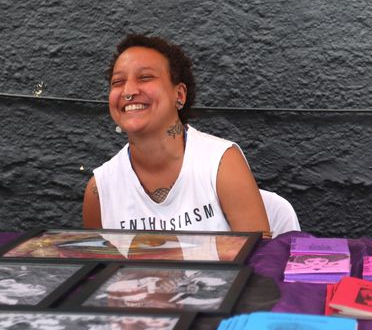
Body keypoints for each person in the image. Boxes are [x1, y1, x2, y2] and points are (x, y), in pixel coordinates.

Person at [83, 34, 269, 233]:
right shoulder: (100, 191)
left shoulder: (221, 163)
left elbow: (261, 257)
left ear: (179, 95)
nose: (128, 91)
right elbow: (101, 263)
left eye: (145, 77)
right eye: (117, 82)